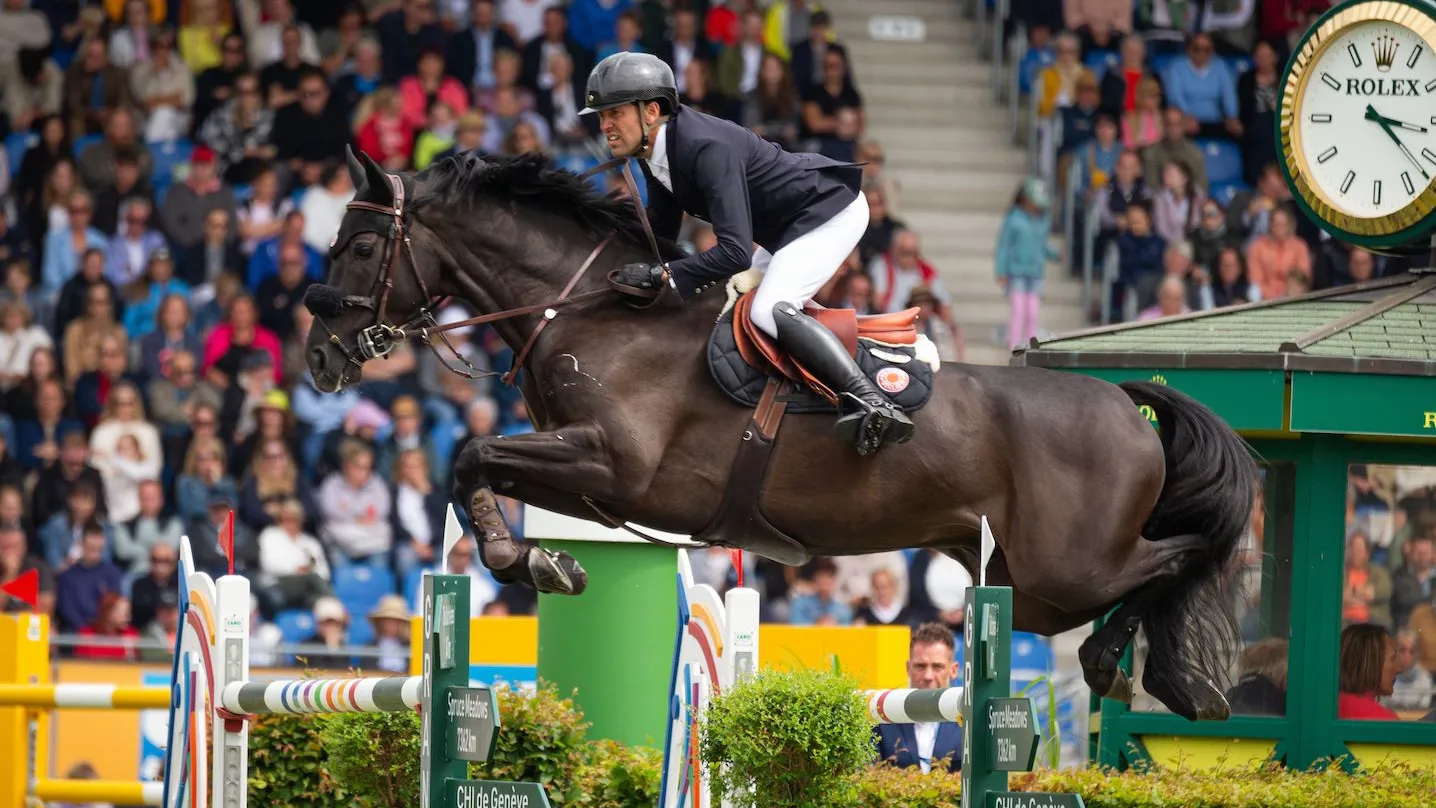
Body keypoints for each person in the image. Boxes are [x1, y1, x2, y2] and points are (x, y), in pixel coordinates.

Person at [580, 52, 912, 457]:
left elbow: (736, 252)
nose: (605, 126)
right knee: (739, 303)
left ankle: (871, 402)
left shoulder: (705, 148)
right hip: (788, 226)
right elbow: (661, 234)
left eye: (613, 113)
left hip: (829, 212)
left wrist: (662, 276)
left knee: (769, 308)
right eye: (600, 116)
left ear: (651, 111)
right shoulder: (655, 151)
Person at [874, 622, 962, 773]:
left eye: (937, 667)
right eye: (920, 666)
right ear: (908, 668)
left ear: (953, 670)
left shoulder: (969, 720)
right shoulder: (883, 716)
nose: (928, 676)